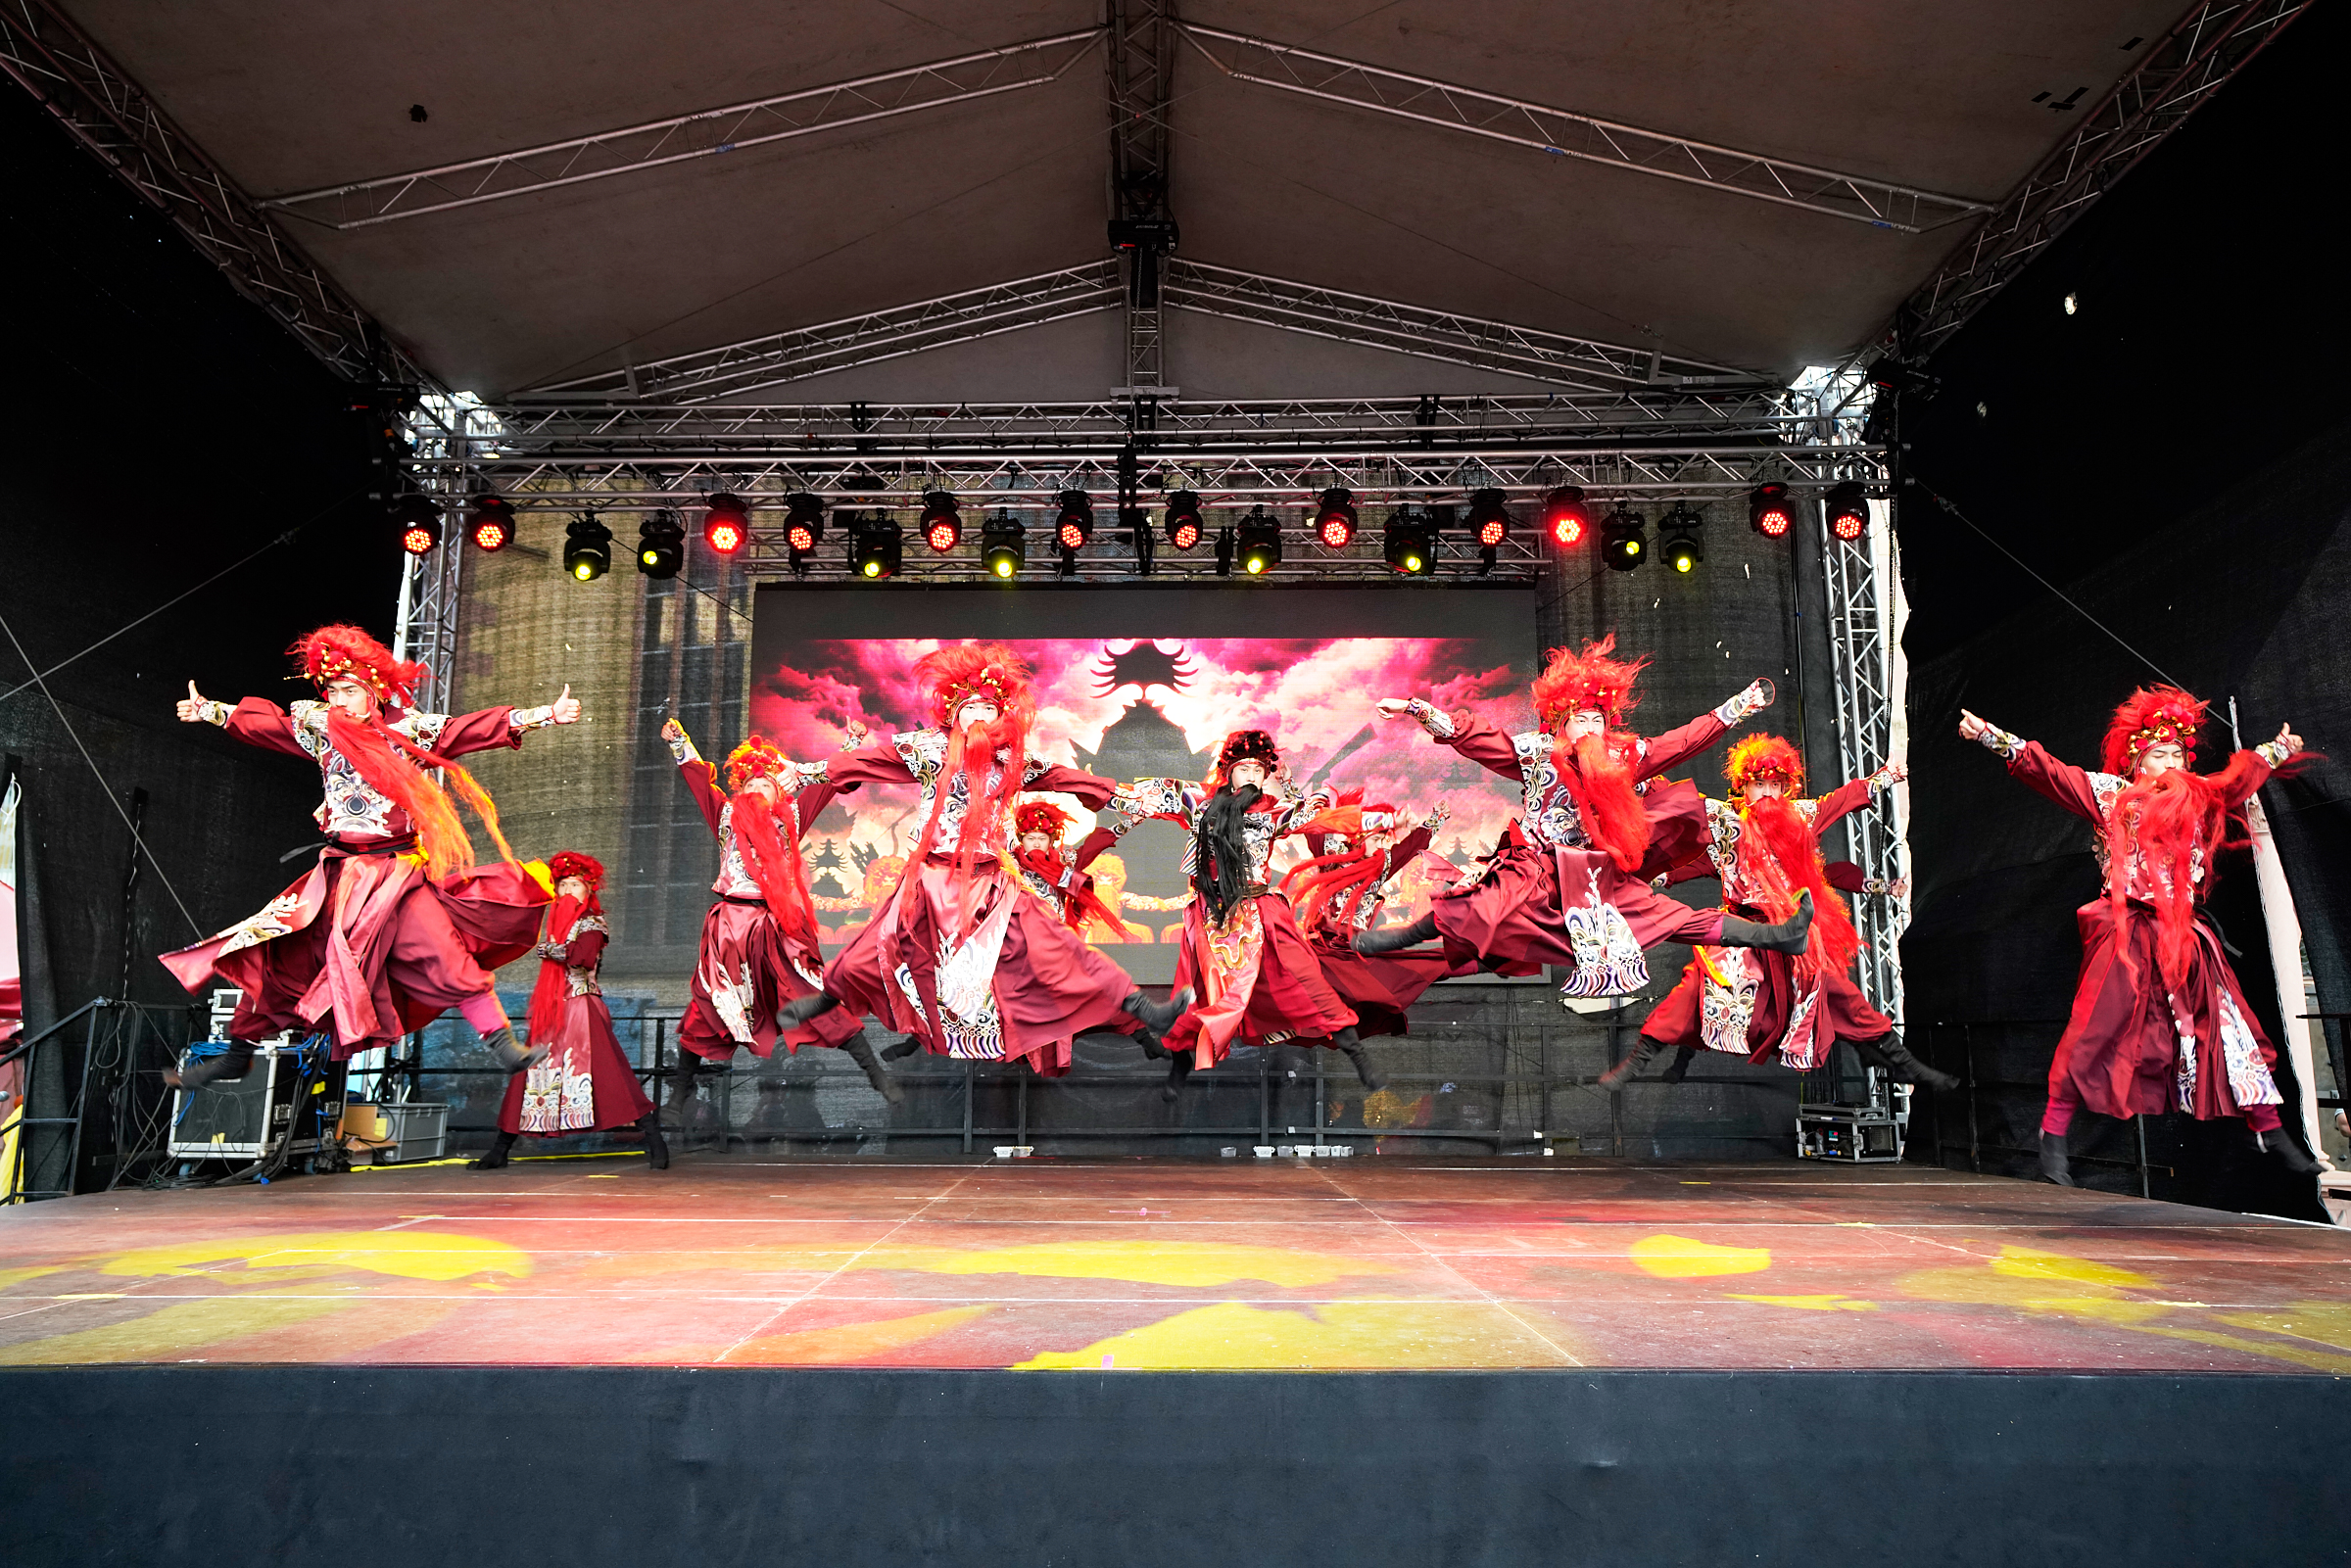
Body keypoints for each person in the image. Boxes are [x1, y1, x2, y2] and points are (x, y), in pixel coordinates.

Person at [160, 625, 576, 1087]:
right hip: (339, 874)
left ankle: (503, 1045)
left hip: (397, 873)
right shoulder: (321, 728)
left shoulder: (409, 732)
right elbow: (270, 725)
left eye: (350, 691)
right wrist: (209, 710)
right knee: (277, 954)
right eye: (333, 691)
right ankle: (238, 1054)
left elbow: (467, 730)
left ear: (374, 692)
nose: (340, 700)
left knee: (443, 951)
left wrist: (546, 715)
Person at [1961, 688, 2317, 1183]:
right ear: (2137, 761)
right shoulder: (2110, 794)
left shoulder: (2199, 795)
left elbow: (2237, 779)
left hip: (2183, 934)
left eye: (2177, 754)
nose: (2170, 763)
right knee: (2095, 1029)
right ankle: (2054, 1132)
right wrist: (1991, 737)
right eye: (2159, 754)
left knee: (2228, 1026)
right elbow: (2052, 773)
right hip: (2125, 931)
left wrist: (2276, 751)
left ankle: (2269, 1128)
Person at [780, 643, 1187, 1075]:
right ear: (954, 714)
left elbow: (1067, 778)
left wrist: (1126, 797)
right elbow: (870, 761)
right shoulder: (929, 750)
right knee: (875, 947)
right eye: (970, 709)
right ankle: (823, 1001)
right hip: (934, 877)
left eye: (988, 709)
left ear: (1000, 717)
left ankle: (1146, 1010)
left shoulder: (1013, 760)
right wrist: (805, 773)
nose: (978, 716)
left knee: (1061, 948)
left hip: (993, 884)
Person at [1359, 636, 1811, 996]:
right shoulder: (1537, 752)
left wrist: (1738, 706)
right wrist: (1415, 708)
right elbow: (1477, 740)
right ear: (1561, 722)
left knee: (1669, 917)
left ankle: (1780, 937)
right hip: (1536, 866)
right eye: (1582, 720)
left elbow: (1684, 741)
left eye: (1598, 720)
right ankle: (1399, 938)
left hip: (1596, 873)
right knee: (1479, 900)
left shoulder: (1624, 757)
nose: (1592, 728)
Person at [1608, 735, 1954, 1090]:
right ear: (1743, 787)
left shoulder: (1802, 818)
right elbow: (1680, 809)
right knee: (1693, 989)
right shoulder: (1725, 822)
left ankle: (1903, 1064)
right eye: (1760, 784)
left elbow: (1842, 799)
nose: (1768, 793)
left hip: (1794, 935)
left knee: (1842, 995)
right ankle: (1638, 1061)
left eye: (1776, 785)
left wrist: (1887, 775)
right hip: (1743, 934)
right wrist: (1639, 779)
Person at [1113, 731, 1374, 1097]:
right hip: (1214, 915)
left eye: (1258, 770)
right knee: (1200, 994)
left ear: (1266, 776)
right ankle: (1179, 1066)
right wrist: (1099, 793)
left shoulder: (1275, 812)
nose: (1251, 775)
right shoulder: (1200, 805)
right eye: (1243, 768)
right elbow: (1143, 796)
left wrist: (1382, 822)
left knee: (1306, 977)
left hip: (1262, 910)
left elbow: (1322, 818)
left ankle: (1356, 1052)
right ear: (1229, 772)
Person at [663, 719, 901, 1112]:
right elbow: (700, 783)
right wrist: (680, 744)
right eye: (750, 784)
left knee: (812, 995)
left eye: (766, 785)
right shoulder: (725, 815)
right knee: (710, 1002)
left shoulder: (791, 817)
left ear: (780, 792)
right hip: (729, 928)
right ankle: (679, 1093)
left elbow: (826, 785)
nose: (757, 790)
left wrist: (853, 742)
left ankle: (876, 1073)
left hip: (776, 927)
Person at [472, 852, 665, 1170]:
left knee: (609, 1075)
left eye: (574, 884)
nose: (567, 891)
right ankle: (500, 1149)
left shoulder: (591, 923)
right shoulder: (554, 925)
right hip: (550, 1009)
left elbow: (583, 958)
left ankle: (656, 1141)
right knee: (529, 1075)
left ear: (588, 889)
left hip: (581, 1006)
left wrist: (552, 949)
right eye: (562, 885)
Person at [1281, 793, 1460, 1040]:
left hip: (1355, 947)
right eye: (1376, 839)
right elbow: (1313, 823)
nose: (1381, 846)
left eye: (1383, 840)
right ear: (1359, 837)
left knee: (1412, 968)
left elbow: (1411, 846)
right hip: (1324, 945)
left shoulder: (1381, 865)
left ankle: (1476, 960)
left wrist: (1436, 818)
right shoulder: (1331, 854)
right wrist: (1289, 787)